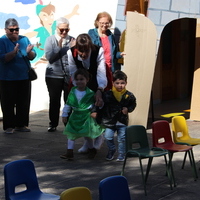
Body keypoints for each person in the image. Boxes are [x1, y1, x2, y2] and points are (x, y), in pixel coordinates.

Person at [67, 33, 107, 152]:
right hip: (80, 83)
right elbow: (73, 73)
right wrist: (80, 91)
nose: (83, 55)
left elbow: (101, 72)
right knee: (83, 114)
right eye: (81, 52)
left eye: (86, 51)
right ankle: (87, 142)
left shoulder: (98, 51)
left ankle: (99, 137)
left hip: (96, 81)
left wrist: (100, 89)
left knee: (96, 112)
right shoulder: (70, 53)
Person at [0, 18, 36, 134]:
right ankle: (9, 126)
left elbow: (31, 56)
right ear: (6, 30)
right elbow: (3, 58)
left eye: (17, 29)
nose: (15, 32)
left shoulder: (24, 39)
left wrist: (30, 51)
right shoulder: (2, 41)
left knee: (23, 102)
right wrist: (14, 53)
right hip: (7, 78)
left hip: (23, 76)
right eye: (12, 30)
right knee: (8, 103)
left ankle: (21, 124)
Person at [60, 68, 104, 160]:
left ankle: (92, 149)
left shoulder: (90, 93)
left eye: (82, 79)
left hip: (86, 117)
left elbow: (93, 105)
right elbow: (69, 103)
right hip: (75, 117)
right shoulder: (72, 91)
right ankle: (69, 152)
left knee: (87, 135)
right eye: (77, 79)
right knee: (71, 134)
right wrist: (64, 114)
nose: (79, 82)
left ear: (87, 80)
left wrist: (94, 112)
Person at [44, 17, 75, 132]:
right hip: (53, 76)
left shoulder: (72, 40)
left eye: (66, 30)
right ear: (56, 28)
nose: (64, 32)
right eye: (61, 30)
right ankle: (53, 124)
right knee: (54, 100)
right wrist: (59, 47)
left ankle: (68, 124)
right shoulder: (50, 40)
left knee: (69, 100)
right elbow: (50, 58)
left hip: (68, 75)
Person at [98, 70, 136, 161]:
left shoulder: (129, 95)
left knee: (122, 139)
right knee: (108, 136)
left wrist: (128, 109)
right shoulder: (107, 95)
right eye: (117, 83)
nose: (120, 85)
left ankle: (121, 154)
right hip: (109, 121)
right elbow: (100, 105)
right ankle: (112, 149)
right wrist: (96, 110)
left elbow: (133, 104)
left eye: (122, 83)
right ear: (113, 83)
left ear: (126, 83)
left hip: (122, 121)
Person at [88, 11, 125, 90]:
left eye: (107, 23)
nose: (104, 25)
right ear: (97, 22)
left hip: (110, 69)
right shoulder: (91, 34)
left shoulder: (110, 35)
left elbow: (113, 53)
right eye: (102, 23)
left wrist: (120, 54)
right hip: (98, 69)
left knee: (108, 92)